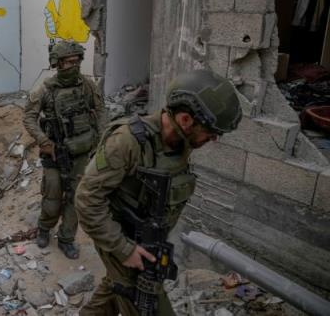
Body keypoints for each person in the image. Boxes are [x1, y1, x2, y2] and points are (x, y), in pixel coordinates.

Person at [75, 69, 242, 315]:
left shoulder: (179, 143)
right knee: (142, 299)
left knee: (116, 285)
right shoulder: (126, 142)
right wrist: (124, 249)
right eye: (211, 132)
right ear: (185, 120)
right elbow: (87, 201)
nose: (214, 139)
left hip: (149, 238)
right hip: (116, 234)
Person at [23, 40, 106, 259]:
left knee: (74, 198)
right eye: (69, 62)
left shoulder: (87, 86)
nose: (74, 66)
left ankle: (67, 238)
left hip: (79, 152)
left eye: (76, 61)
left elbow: (100, 112)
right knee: (52, 195)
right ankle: (44, 228)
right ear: (57, 63)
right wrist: (44, 141)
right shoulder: (46, 89)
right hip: (54, 152)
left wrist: (99, 141)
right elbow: (29, 117)